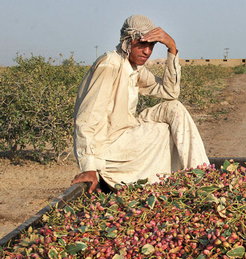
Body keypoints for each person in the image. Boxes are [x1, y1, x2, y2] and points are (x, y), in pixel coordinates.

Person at [71, 15, 209, 193]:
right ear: (127, 42)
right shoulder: (110, 65)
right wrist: (89, 167)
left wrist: (172, 47)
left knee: (173, 107)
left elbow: (170, 92)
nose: (147, 51)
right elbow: (87, 119)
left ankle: (201, 174)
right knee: (164, 131)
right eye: (142, 44)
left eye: (151, 46)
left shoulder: (134, 68)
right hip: (110, 147)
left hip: (127, 132)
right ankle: (200, 179)